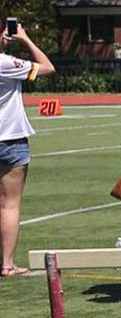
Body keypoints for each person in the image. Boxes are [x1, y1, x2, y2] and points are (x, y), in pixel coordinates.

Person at [0, 20, 55, 277]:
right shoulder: (5, 63)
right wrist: (24, 39)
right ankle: (7, 263)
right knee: (10, 205)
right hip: (9, 138)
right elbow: (47, 67)